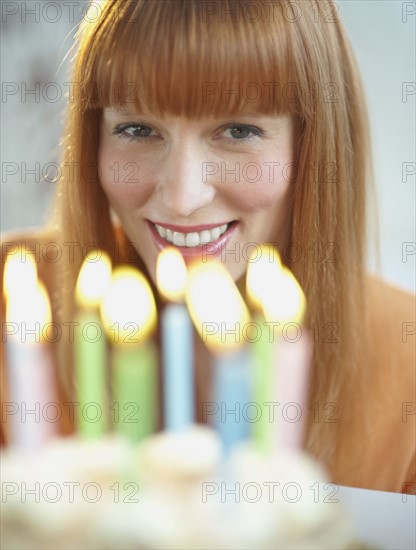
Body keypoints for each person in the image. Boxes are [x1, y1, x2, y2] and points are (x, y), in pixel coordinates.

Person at [1, 0, 414, 494]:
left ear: (312, 145)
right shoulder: (15, 302)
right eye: (137, 129)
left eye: (239, 131)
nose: (181, 197)